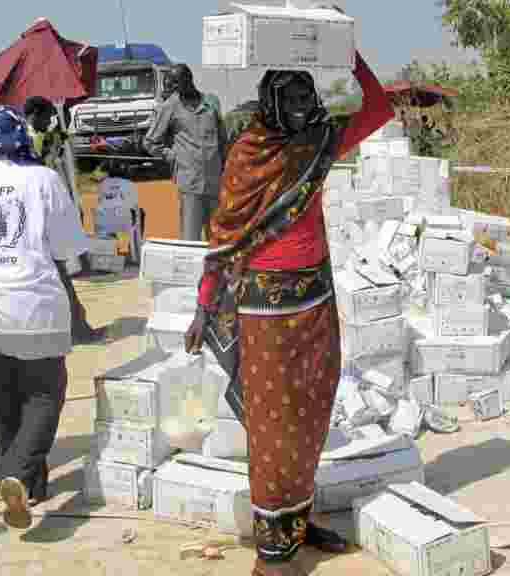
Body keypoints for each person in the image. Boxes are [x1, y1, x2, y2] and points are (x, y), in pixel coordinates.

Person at [183, 45, 394, 575]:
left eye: (307, 93)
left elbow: (373, 105)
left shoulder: (318, 140)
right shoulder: (250, 152)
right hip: (265, 313)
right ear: (270, 101)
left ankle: (297, 523)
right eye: (291, 96)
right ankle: (272, 552)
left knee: (309, 416)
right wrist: (204, 306)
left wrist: (342, 46)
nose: (302, 104)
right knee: (273, 428)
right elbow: (224, 237)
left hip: (316, 301)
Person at [0, 106, 81, 529]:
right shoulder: (43, 178)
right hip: (31, 302)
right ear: (25, 136)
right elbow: (66, 247)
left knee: (1, 394)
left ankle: (29, 485)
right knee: (45, 391)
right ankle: (14, 472)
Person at [24, 95, 103, 344]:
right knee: (58, 276)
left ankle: (73, 326)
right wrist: (46, 147)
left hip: (42, 215)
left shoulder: (37, 137)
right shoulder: (26, 139)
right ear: (35, 114)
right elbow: (34, 167)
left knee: (56, 276)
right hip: (39, 219)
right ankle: (77, 328)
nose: (49, 122)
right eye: (46, 117)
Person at [143, 64, 227, 241]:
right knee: (190, 238)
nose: (171, 88)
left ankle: (216, 269)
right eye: (170, 84)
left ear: (187, 79)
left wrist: (225, 170)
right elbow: (150, 142)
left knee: (217, 236)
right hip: (189, 182)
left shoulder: (211, 103)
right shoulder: (170, 107)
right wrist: (170, 155)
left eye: (175, 83)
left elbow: (222, 141)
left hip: (214, 181)